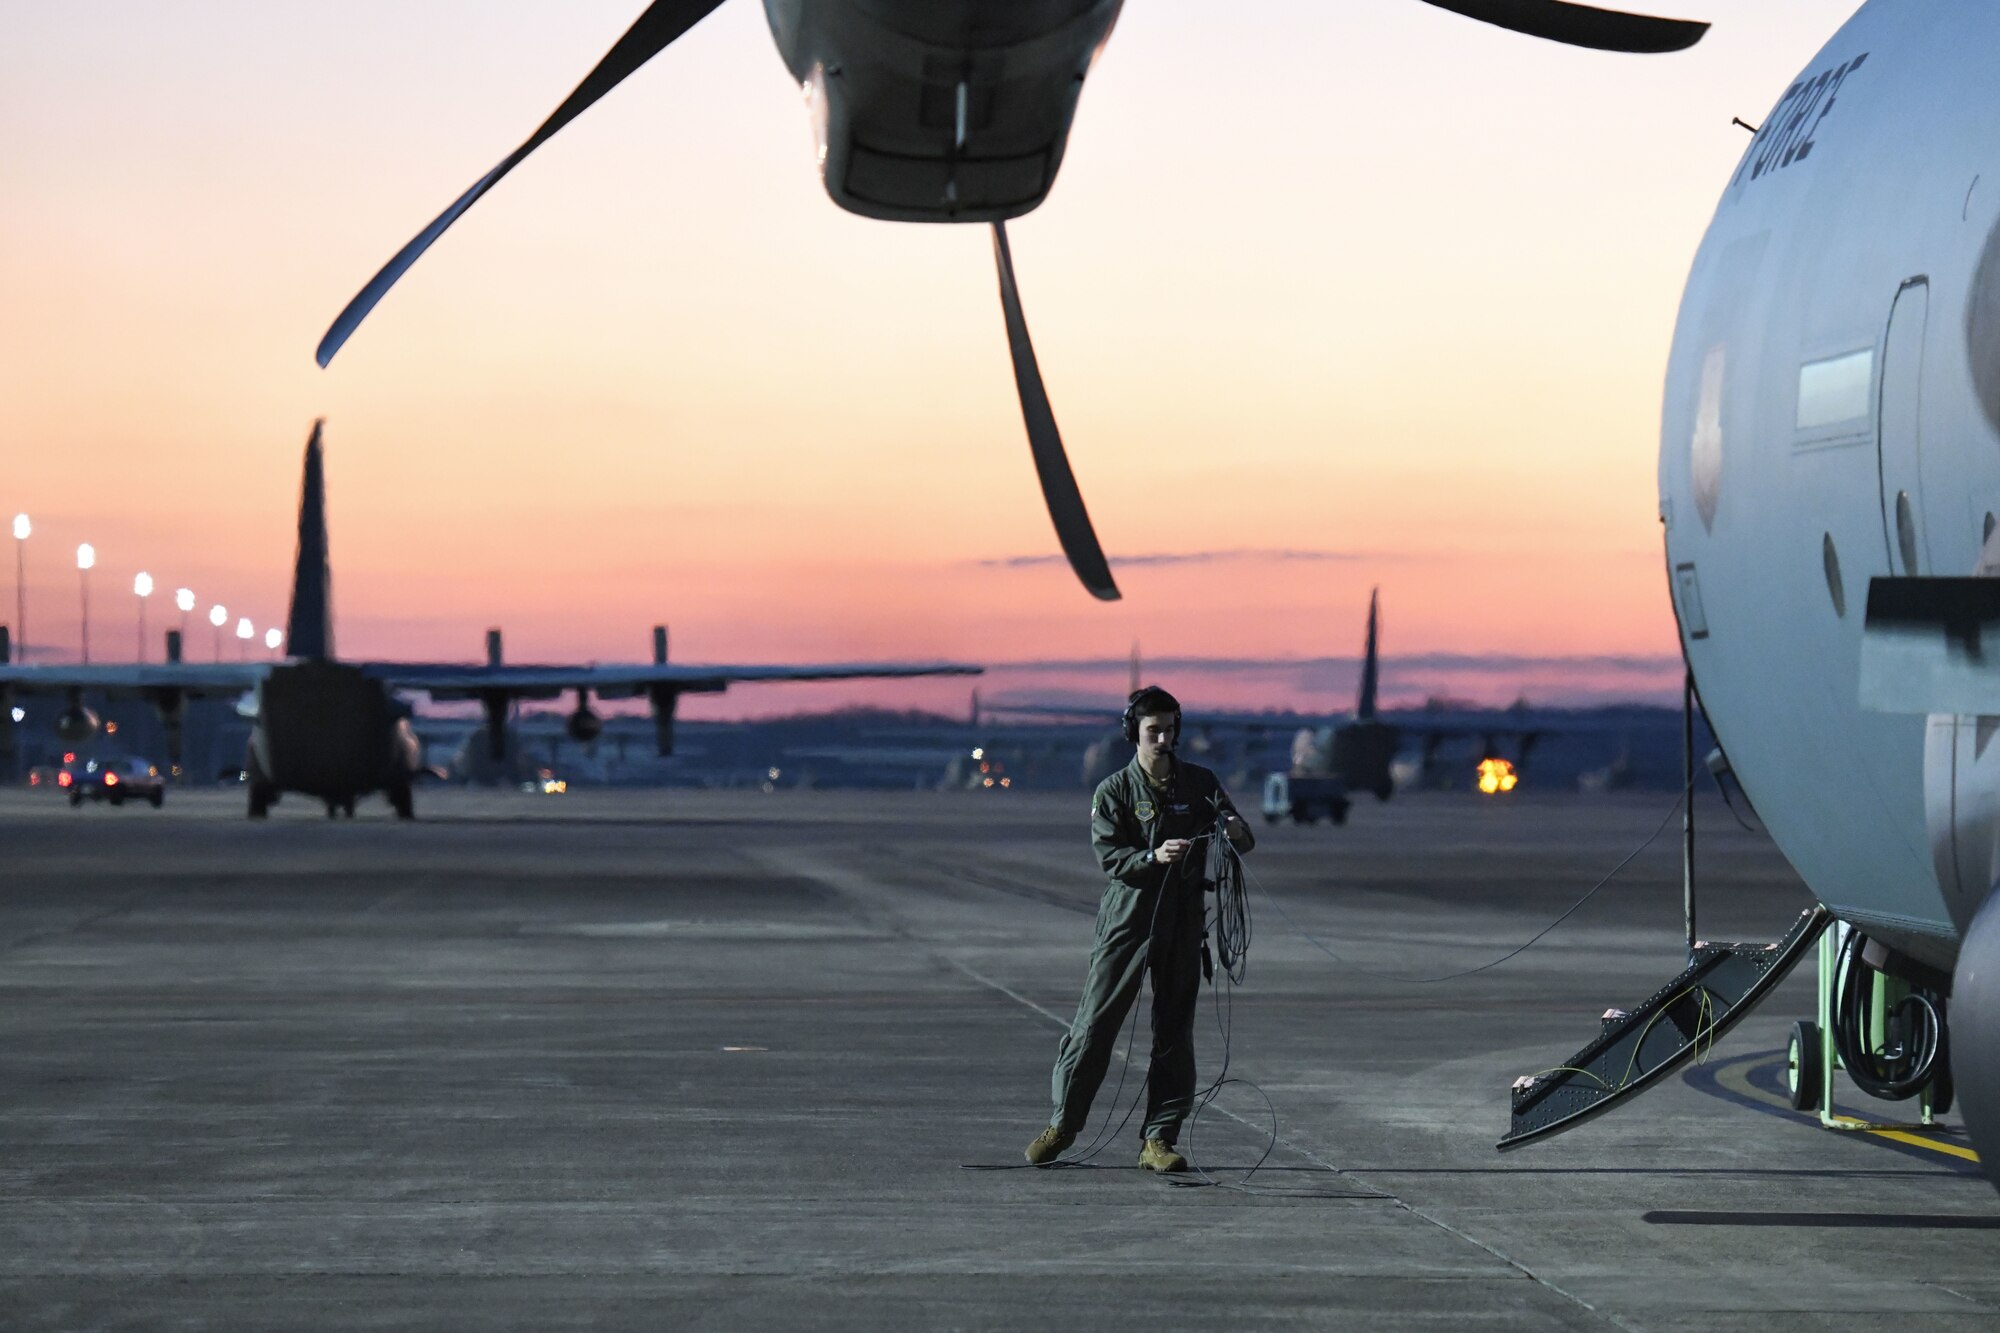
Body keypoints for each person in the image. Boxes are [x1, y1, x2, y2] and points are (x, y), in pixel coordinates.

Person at [1024, 685, 1256, 1171]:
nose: (1164, 739)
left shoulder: (1200, 783)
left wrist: (1232, 826)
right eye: (1154, 730)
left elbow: (1242, 835)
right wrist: (1153, 856)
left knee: (1174, 1033)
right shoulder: (1113, 791)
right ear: (1134, 732)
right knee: (1094, 1026)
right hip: (1128, 922)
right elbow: (1111, 857)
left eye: (1171, 730)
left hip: (1183, 924)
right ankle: (1063, 1124)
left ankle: (1158, 1140)